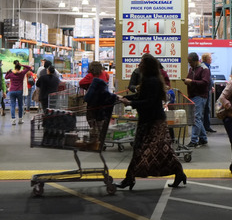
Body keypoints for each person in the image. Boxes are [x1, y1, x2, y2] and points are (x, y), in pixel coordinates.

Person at [116, 55, 187, 190]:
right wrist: (124, 98)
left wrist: (130, 102)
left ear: (147, 66)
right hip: (150, 120)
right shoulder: (150, 80)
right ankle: (179, 173)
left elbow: (150, 102)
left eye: (142, 63)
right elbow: (141, 97)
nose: (139, 65)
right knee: (163, 150)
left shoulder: (152, 81)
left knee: (141, 150)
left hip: (153, 122)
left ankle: (129, 179)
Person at [84, 72, 118, 150]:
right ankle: (99, 142)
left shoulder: (92, 80)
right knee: (100, 126)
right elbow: (107, 95)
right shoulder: (103, 79)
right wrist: (116, 97)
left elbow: (81, 83)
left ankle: (95, 142)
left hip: (91, 109)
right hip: (99, 111)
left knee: (94, 126)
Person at [184, 52, 210, 148]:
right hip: (193, 95)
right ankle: (203, 138)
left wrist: (191, 82)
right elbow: (190, 78)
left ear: (196, 61)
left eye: (190, 62)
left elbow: (205, 82)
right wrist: (187, 81)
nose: (189, 64)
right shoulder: (192, 69)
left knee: (196, 118)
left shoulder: (204, 69)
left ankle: (194, 140)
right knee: (197, 118)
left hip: (200, 96)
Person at [4, 60, 32, 125]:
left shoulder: (11, 73)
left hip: (12, 91)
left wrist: (8, 72)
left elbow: (6, 77)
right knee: (20, 105)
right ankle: (20, 119)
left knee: (12, 105)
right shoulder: (22, 73)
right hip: (19, 91)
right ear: (20, 67)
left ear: (15, 67)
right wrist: (22, 65)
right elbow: (29, 68)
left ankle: (13, 120)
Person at [201, 52, 216, 133]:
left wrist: (211, 86)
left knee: (207, 109)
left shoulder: (207, 66)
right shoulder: (204, 67)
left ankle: (207, 126)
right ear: (207, 59)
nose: (211, 59)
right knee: (205, 109)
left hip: (208, 90)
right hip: (205, 91)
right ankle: (205, 127)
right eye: (210, 58)